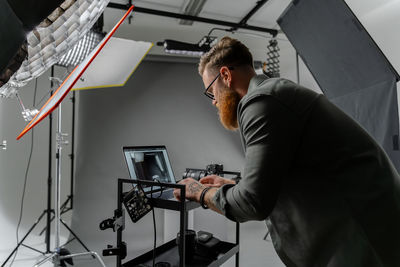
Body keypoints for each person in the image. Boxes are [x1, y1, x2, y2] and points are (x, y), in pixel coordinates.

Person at [173, 36, 400, 266]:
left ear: (225, 76)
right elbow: (277, 181)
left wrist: (198, 191)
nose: (213, 101)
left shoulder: (261, 102)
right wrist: (231, 187)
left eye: (211, 92)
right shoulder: (274, 94)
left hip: (365, 240)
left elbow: (253, 202)